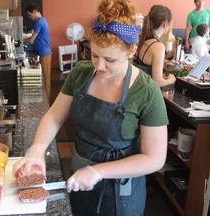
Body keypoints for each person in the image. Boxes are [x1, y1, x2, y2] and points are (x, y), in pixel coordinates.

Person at [12, 0, 169, 215]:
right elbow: (55, 116)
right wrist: (37, 149)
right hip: (79, 181)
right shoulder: (81, 73)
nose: (100, 66)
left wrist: (97, 172)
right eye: (95, 55)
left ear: (132, 51)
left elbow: (154, 159)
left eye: (110, 60)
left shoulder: (147, 92)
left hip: (121, 194)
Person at [134, 5, 176, 88]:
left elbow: (147, 61)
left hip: (136, 89)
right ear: (165, 23)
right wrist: (171, 79)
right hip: (146, 93)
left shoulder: (144, 40)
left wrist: (164, 61)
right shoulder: (158, 47)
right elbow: (158, 82)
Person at [24, 2, 52, 99]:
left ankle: (48, 100)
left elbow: (31, 40)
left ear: (35, 12)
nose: (29, 17)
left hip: (45, 53)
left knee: (46, 78)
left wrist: (20, 39)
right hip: (43, 52)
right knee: (44, 78)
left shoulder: (39, 22)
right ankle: (46, 98)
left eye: (29, 15)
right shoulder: (42, 20)